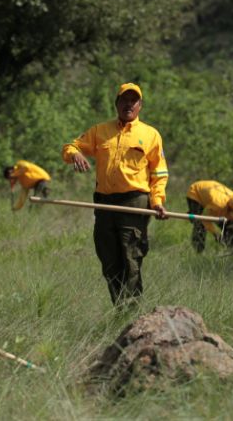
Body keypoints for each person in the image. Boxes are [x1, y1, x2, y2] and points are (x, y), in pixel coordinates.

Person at [62, 82, 169, 307]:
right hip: (104, 202)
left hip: (134, 201)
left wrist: (157, 201)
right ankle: (119, 308)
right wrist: (75, 154)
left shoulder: (151, 135)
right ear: (116, 103)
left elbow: (159, 173)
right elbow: (71, 146)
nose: (128, 104)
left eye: (133, 101)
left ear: (140, 105)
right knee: (108, 258)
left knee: (131, 256)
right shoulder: (100, 131)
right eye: (124, 100)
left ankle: (132, 309)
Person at [186, 180, 233, 253]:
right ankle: (198, 252)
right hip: (196, 192)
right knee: (199, 223)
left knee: (231, 227)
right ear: (230, 210)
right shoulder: (218, 204)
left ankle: (232, 252)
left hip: (214, 198)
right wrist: (216, 233)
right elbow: (204, 218)